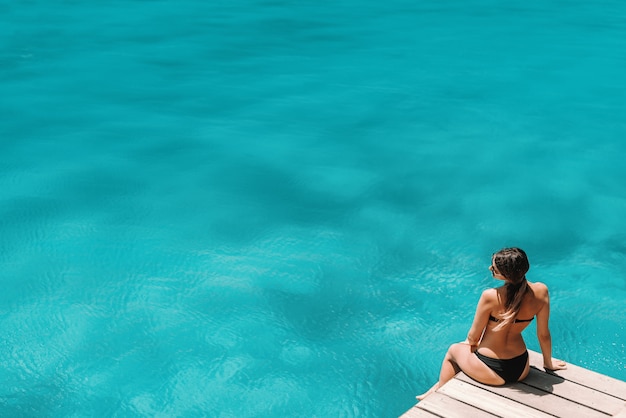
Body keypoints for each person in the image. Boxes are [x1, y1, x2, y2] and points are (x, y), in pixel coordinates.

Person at [416, 247, 567, 400]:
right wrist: (548, 363)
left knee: (453, 350)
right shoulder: (541, 291)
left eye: (494, 268)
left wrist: (471, 345)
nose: (490, 268)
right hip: (521, 368)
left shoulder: (490, 296)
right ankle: (433, 390)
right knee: (464, 349)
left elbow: (473, 338)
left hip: (490, 370)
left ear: (505, 274)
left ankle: (437, 398)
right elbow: (543, 334)